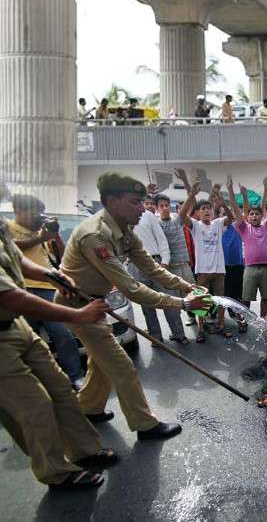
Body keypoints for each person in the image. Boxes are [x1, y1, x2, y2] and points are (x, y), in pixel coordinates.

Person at [56, 173, 211, 440]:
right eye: (135, 202)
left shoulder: (126, 231)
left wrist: (187, 286)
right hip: (79, 306)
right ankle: (145, 425)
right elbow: (131, 288)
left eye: (142, 201)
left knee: (101, 363)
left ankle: (88, 407)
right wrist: (184, 303)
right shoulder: (95, 235)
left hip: (96, 303)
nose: (143, 208)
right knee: (122, 367)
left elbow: (151, 268)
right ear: (112, 201)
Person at [0, 211, 117, 490]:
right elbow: (12, 296)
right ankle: (56, 471)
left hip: (16, 326)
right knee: (35, 405)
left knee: (62, 388)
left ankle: (84, 451)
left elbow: (16, 259)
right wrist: (77, 315)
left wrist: (51, 274)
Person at [9, 194, 83, 389]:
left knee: (63, 335)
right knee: (28, 341)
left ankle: (75, 377)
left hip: (48, 288)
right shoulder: (8, 228)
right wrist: (41, 237)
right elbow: (13, 249)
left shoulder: (41, 231)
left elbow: (61, 254)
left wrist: (54, 236)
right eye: (34, 213)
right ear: (20, 211)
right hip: (21, 289)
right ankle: (35, 383)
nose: (38, 217)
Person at [177, 179, 234, 342]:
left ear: (213, 212)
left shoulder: (218, 223)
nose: (207, 211)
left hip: (219, 270)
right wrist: (191, 195)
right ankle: (201, 329)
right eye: (203, 209)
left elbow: (232, 218)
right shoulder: (195, 225)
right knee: (201, 300)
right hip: (202, 270)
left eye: (209, 208)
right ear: (198, 213)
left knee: (221, 300)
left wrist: (223, 203)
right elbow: (181, 215)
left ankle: (221, 325)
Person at [129, 192, 187, 345]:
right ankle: (156, 338)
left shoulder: (148, 216)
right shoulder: (122, 220)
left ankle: (179, 334)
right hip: (135, 266)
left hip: (156, 263)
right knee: (147, 305)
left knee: (169, 301)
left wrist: (164, 263)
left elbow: (162, 241)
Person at [227, 173, 267, 318]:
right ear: (248, 216)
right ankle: (245, 320)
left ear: (260, 216)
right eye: (251, 214)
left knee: (266, 298)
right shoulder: (244, 228)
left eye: (257, 214)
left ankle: (264, 321)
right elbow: (235, 208)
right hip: (250, 268)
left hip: (266, 269)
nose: (254, 216)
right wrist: (230, 189)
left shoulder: (266, 226)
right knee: (246, 298)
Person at [154, 192, 196, 340]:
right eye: (162, 206)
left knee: (196, 297)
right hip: (169, 270)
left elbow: (184, 210)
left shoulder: (177, 220)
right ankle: (179, 334)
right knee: (173, 305)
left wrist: (192, 193)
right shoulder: (155, 225)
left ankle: (203, 326)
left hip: (185, 267)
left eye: (167, 205)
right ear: (157, 208)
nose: (165, 208)